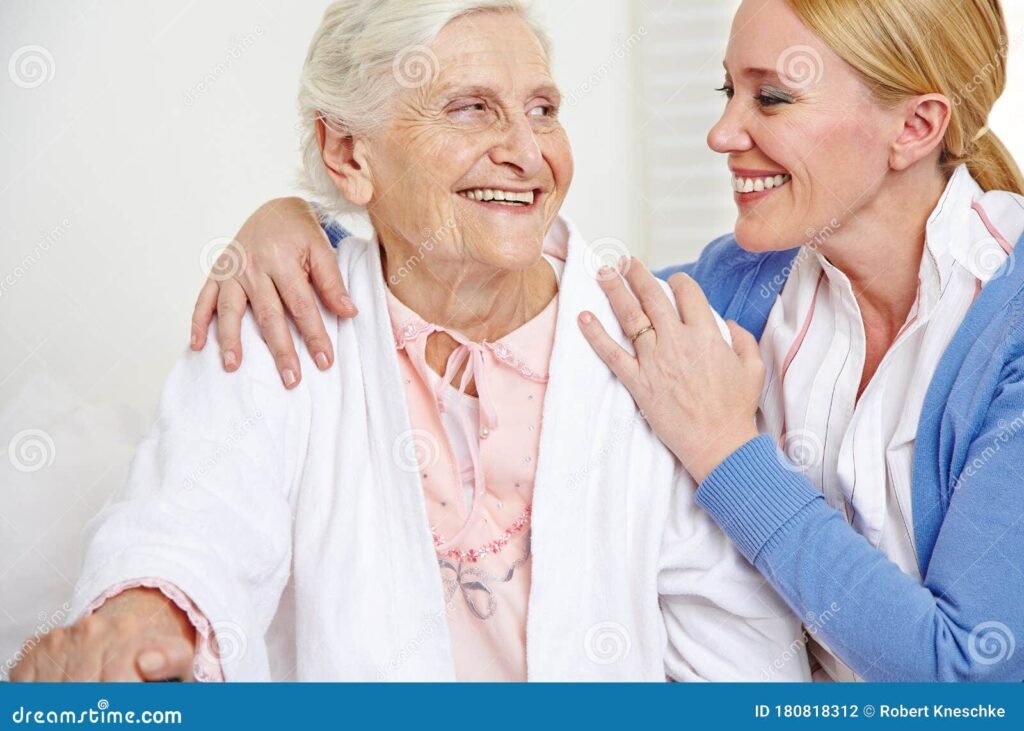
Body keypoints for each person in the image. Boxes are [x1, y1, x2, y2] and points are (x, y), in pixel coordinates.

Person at [190, 0, 1024, 681]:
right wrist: (302, 223)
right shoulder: (742, 289)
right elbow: (518, 284)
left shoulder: (1007, 330)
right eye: (726, 90)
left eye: (772, 98)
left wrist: (728, 452)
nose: (723, 133)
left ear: (916, 128)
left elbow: (972, 682)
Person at [11, 0, 806, 683]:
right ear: (349, 154)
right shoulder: (279, 316)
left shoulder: (654, 344)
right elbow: (194, 520)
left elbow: (739, 659)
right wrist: (143, 622)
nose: (528, 153)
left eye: (542, 109)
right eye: (471, 109)